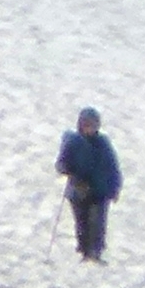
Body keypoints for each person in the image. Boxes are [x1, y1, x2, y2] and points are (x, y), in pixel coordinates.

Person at [57, 109, 122, 261]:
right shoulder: (73, 142)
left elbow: (112, 166)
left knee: (98, 222)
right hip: (79, 191)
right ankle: (84, 251)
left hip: (100, 191)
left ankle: (96, 252)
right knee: (82, 222)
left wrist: (115, 187)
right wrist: (68, 171)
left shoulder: (103, 143)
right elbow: (61, 163)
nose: (89, 128)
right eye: (86, 124)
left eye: (93, 125)